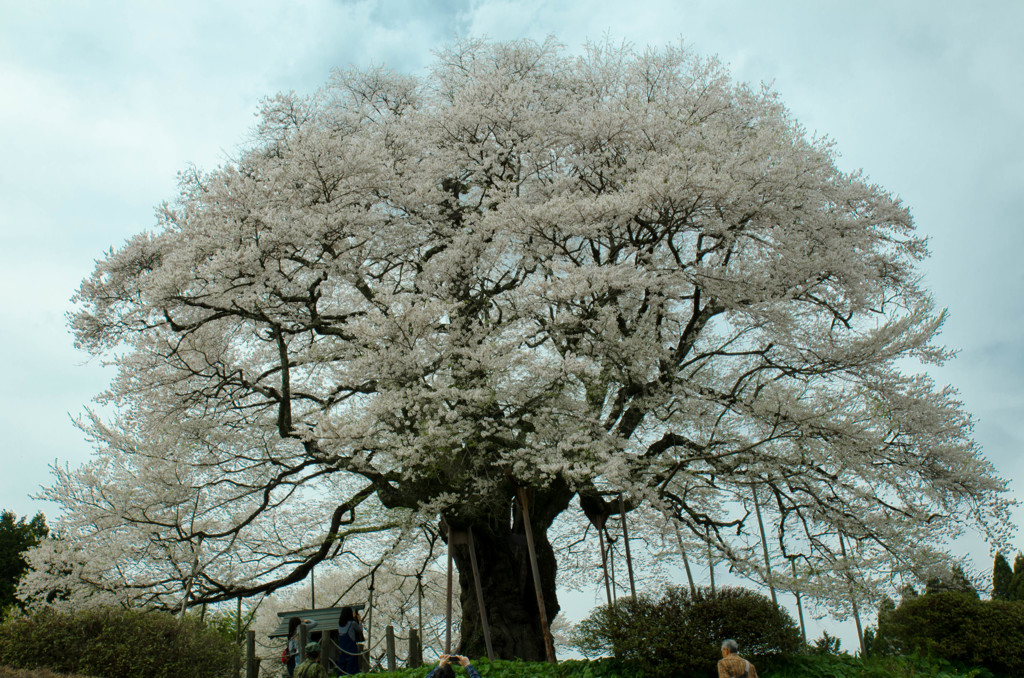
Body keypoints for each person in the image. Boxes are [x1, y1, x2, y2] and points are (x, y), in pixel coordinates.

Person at [335, 606, 365, 676]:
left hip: (342, 649)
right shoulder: (352, 623)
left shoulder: (339, 624)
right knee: (352, 668)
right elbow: (360, 629)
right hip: (351, 648)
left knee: (342, 667)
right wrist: (359, 620)